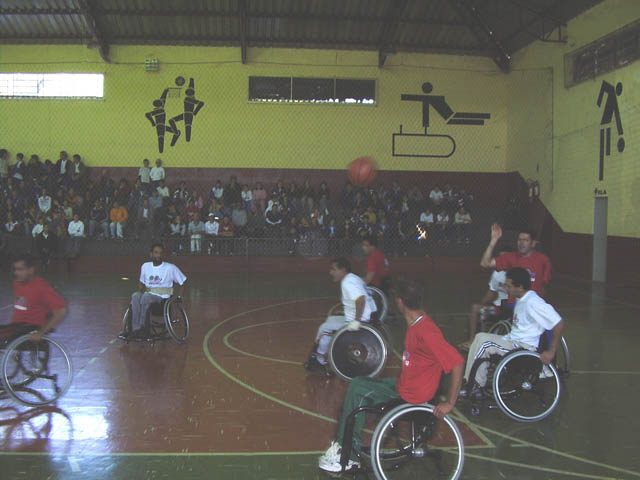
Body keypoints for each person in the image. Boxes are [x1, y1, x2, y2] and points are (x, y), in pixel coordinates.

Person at [318, 279, 463, 473]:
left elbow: (457, 362)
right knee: (360, 383)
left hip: (412, 396)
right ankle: (343, 445)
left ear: (400, 302)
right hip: (405, 386)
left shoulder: (426, 331)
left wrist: (450, 403)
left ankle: (348, 456)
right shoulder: (417, 323)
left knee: (358, 390)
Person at [461, 267, 564, 396]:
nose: (506, 289)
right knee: (480, 337)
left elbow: (558, 323)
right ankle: (469, 382)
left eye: (509, 286)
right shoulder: (521, 299)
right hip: (512, 341)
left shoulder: (533, 302)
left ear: (520, 287)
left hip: (523, 347)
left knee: (485, 344)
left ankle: (474, 385)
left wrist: (551, 351)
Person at [305, 258, 377, 374]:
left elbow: (361, 300)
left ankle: (319, 360)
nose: (331, 272)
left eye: (333, 269)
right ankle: (325, 354)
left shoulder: (347, 283)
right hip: (364, 316)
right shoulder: (353, 277)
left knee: (323, 329)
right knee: (330, 319)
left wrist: (356, 321)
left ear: (343, 270)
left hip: (360, 321)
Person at [120, 243, 187, 339]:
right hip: (147, 296)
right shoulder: (145, 266)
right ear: (151, 254)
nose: (158, 255)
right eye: (156, 253)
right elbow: (141, 282)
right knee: (135, 295)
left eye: (160, 253)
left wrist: (180, 297)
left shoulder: (170, 268)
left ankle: (143, 328)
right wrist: (139, 293)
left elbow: (183, 282)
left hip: (162, 299)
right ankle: (134, 329)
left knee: (146, 297)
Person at [1, 255, 66, 346]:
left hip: (29, 327)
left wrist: (41, 333)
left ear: (31, 270)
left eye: (20, 269)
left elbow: (61, 311)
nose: (16, 272)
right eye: (15, 269)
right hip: (16, 327)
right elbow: (21, 307)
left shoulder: (41, 287)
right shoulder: (17, 284)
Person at [459, 246, 513, 350]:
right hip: (498, 307)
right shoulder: (497, 273)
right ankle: (472, 341)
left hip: (510, 307)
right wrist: (482, 305)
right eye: (500, 258)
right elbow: (491, 293)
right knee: (476, 309)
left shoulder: (516, 273)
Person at [480, 224, 551, 296]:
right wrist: (494, 240)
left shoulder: (543, 260)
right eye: (519, 240)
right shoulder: (510, 257)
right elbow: (485, 263)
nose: (521, 243)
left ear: (533, 243)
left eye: (526, 240)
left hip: (532, 303)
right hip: (512, 304)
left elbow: (544, 287)